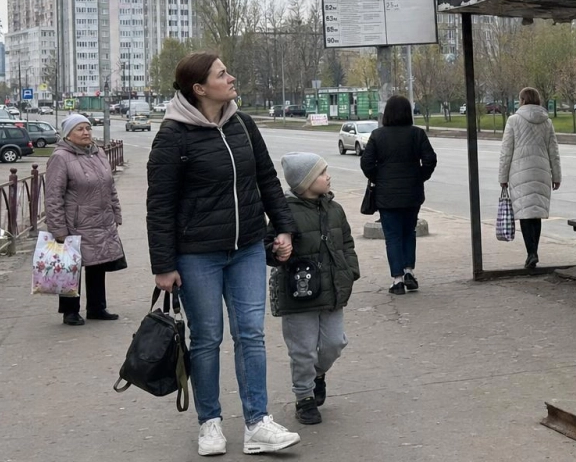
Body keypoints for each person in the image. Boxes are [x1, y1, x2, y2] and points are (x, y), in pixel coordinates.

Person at [146, 51, 302, 457]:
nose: (231, 77)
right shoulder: (173, 136)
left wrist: (283, 227)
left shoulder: (242, 123)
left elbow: (266, 178)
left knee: (250, 333)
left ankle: (257, 423)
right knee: (207, 338)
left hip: (248, 247)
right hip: (198, 255)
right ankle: (210, 423)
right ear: (199, 89)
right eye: (222, 74)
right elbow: (159, 205)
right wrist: (164, 266)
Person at [267, 153, 360, 426]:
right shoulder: (285, 213)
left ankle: (316, 374)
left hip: (333, 290)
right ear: (306, 182)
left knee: (334, 343)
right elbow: (268, 247)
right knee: (302, 349)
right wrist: (278, 253)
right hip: (299, 294)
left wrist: (350, 271)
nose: (328, 176)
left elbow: (347, 243)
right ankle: (304, 397)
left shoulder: (335, 209)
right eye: (322, 173)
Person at [44, 113, 125, 326]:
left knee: (98, 263)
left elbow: (110, 186)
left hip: (101, 219)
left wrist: (116, 211)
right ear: (68, 135)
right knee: (71, 267)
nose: (86, 133)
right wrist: (58, 228)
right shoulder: (60, 157)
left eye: (88, 128)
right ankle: (70, 311)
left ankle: (97, 308)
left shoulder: (98, 153)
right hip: (75, 222)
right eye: (79, 129)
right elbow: (53, 195)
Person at [361, 95, 437, 295]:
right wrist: (420, 176)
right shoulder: (417, 134)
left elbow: (366, 163)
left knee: (392, 236)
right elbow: (430, 159)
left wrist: (380, 178)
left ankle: (397, 280)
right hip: (412, 193)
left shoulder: (377, 135)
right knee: (408, 232)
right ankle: (409, 270)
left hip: (387, 196)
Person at [498, 87, 562, 269]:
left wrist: (502, 177)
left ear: (523, 100)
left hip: (520, 173)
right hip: (542, 172)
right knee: (536, 214)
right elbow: (554, 152)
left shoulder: (513, 120)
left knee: (526, 214)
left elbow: (506, 152)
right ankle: (534, 251)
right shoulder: (547, 122)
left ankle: (531, 253)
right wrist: (556, 176)